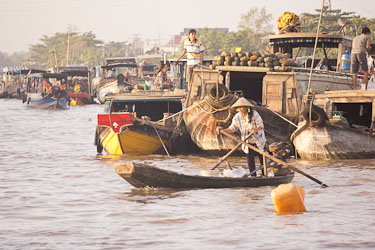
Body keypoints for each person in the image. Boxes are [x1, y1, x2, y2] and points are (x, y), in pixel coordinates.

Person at [216, 97, 266, 177]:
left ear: (247, 107)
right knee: (250, 160)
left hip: (258, 140)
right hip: (247, 141)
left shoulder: (254, 114)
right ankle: (253, 177)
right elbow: (232, 129)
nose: (240, 109)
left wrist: (256, 129)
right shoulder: (237, 117)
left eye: (242, 107)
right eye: (239, 107)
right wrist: (223, 130)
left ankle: (265, 175)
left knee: (262, 158)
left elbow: (261, 125)